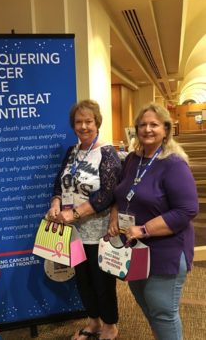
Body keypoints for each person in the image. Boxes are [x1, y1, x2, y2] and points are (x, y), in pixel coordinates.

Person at [108, 102, 199, 340]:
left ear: (166, 129)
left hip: (165, 249)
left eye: (154, 124)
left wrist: (145, 229)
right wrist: (115, 215)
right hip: (135, 248)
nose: (147, 129)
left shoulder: (174, 164)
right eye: (142, 125)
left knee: (162, 311)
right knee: (146, 304)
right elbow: (121, 193)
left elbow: (187, 209)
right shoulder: (132, 159)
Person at [47, 99, 122, 340]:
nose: (83, 126)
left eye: (88, 121)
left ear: (97, 123)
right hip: (73, 232)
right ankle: (93, 321)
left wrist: (75, 213)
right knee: (83, 280)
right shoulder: (72, 152)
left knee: (102, 282)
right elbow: (59, 182)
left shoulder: (107, 153)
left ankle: (110, 325)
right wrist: (56, 203)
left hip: (98, 231)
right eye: (78, 122)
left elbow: (107, 195)